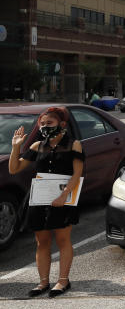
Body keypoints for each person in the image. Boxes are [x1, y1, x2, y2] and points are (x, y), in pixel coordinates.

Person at [8, 106, 84, 297]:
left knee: (62, 239)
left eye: (49, 123)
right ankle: (43, 282)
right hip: (39, 198)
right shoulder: (36, 146)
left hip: (63, 198)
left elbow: (77, 174)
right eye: (42, 124)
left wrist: (64, 195)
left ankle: (63, 281)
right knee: (42, 241)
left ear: (62, 124)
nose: (44, 127)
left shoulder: (74, 144)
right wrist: (16, 146)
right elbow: (14, 169)